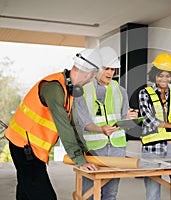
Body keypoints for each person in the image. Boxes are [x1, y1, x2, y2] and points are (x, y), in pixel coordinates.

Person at [5, 48, 103, 200]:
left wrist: (85, 152)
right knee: (44, 195)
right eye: (93, 76)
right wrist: (79, 159)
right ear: (89, 73)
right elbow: (63, 126)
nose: (91, 81)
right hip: (24, 146)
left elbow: (73, 125)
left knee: (26, 190)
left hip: (31, 147)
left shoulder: (67, 90)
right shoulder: (54, 88)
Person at [73, 46, 138, 200]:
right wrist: (100, 129)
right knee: (88, 195)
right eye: (106, 68)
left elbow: (123, 120)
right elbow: (83, 122)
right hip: (94, 149)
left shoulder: (121, 91)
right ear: (96, 68)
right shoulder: (83, 90)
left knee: (111, 194)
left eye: (113, 69)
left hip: (117, 148)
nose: (110, 73)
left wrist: (129, 118)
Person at [138, 52, 171, 200]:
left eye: (167, 76)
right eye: (160, 75)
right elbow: (148, 120)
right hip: (152, 148)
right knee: (152, 190)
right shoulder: (145, 93)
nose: (164, 79)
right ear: (154, 75)